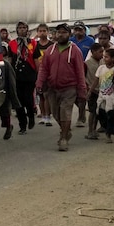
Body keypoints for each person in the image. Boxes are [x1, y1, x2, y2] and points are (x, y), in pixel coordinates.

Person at [35, 22, 87, 151]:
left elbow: (80, 72)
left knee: (65, 112)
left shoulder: (75, 51)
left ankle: (63, 138)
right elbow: (43, 69)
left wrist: (82, 91)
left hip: (69, 88)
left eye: (64, 32)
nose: (61, 34)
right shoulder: (49, 50)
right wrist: (39, 83)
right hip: (52, 88)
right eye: (58, 32)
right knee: (56, 113)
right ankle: (66, 130)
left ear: (69, 34)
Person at [8, 21, 37, 133]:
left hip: (29, 74)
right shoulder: (12, 44)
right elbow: (10, 60)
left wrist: (38, 75)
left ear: (27, 29)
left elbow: (36, 59)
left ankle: (31, 116)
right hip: (16, 75)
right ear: (16, 30)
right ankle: (22, 125)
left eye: (24, 27)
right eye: (19, 28)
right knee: (18, 101)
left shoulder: (33, 43)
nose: (22, 29)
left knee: (28, 98)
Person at [95, 48, 114, 143]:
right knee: (101, 114)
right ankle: (107, 128)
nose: (104, 58)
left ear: (113, 58)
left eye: (106, 57)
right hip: (102, 95)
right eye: (104, 56)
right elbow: (96, 80)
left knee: (111, 114)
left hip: (113, 96)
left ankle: (109, 134)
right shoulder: (101, 68)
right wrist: (90, 91)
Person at [33, 24, 54, 126]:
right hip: (40, 73)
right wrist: (39, 74)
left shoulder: (52, 44)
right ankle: (42, 114)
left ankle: (48, 116)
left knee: (47, 96)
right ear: (37, 32)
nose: (42, 33)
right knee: (40, 96)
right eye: (40, 31)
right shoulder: (35, 45)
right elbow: (35, 60)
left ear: (48, 31)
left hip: (50, 73)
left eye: (44, 31)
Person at [84, 43, 104, 140]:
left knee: (98, 112)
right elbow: (83, 78)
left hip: (102, 91)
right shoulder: (87, 63)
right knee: (92, 111)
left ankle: (94, 130)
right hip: (92, 91)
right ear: (93, 52)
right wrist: (88, 90)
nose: (102, 54)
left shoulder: (102, 62)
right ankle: (90, 131)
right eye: (100, 52)